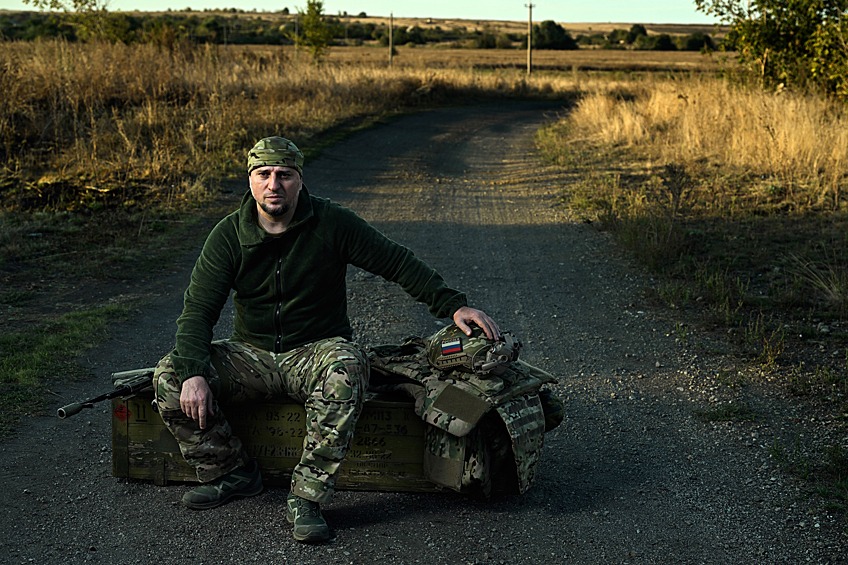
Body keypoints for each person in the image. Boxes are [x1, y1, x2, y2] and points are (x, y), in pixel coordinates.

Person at [152, 136, 500, 543]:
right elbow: (197, 311)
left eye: (284, 175)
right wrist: (193, 372)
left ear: (300, 180)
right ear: (250, 180)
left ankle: (307, 497)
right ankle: (232, 473)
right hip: (253, 355)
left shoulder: (332, 223)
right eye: (263, 175)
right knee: (170, 376)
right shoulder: (228, 235)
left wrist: (453, 305)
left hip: (315, 350)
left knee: (347, 367)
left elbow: (396, 261)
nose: (273, 184)